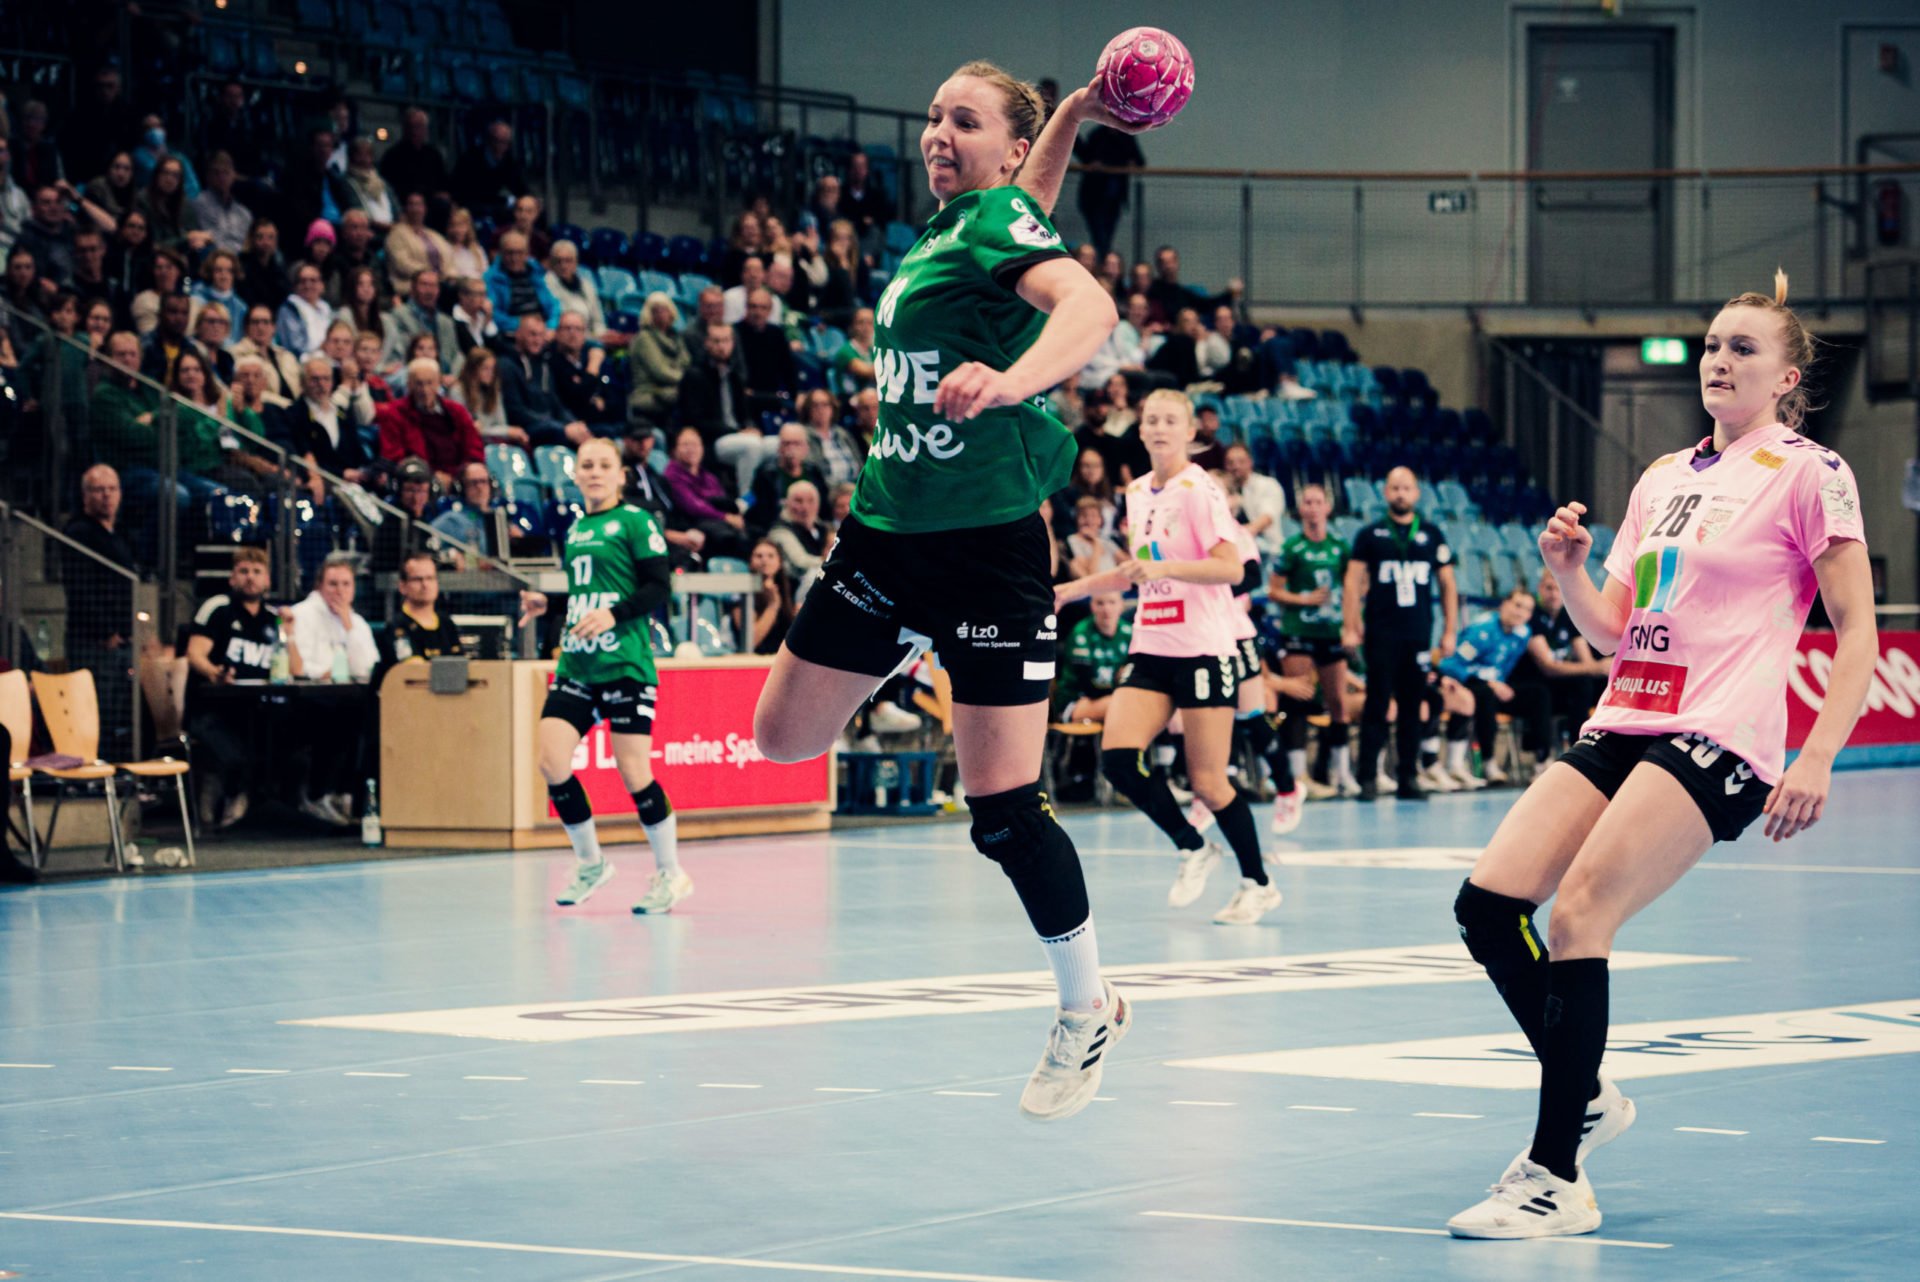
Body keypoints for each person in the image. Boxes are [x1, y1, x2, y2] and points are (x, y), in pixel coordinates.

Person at [752, 61, 1160, 1121]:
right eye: (933, 115)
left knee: (1003, 813)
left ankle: (1086, 1007)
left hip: (986, 551)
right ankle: (910, 639)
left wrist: (1011, 381)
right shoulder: (964, 225)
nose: (937, 132)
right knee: (781, 738)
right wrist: (1075, 112)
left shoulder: (990, 228)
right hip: (885, 538)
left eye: (963, 121)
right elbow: (1027, 205)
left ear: (1005, 148)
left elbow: (1087, 303)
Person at [1445, 273, 1878, 1240]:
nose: (1718, 360)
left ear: (1788, 378)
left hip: (1719, 734)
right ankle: (1587, 1094)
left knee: (1581, 912)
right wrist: (1567, 571)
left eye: (1743, 348)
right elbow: (1612, 630)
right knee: (1487, 907)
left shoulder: (1810, 473)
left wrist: (1817, 757)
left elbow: (1856, 629)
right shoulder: (1664, 477)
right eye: (1712, 345)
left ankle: (1555, 1177)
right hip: (1628, 715)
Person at [1056, 389, 1278, 927]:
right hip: (1152, 645)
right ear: (1140, 429)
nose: (1159, 428)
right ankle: (1192, 845)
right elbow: (1138, 569)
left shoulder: (1200, 490)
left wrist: (1166, 570)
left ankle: (1258, 883)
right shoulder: (1135, 492)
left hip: (1203, 649)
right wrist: (1068, 591)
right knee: (1118, 760)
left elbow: (1230, 569)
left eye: (1170, 420)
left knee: (1209, 782)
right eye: (1151, 419)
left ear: (1188, 432)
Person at [517, 438, 687, 913]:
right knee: (551, 761)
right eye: (586, 465)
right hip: (577, 664)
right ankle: (591, 864)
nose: (594, 472)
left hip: (625, 664)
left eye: (603, 465)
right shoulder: (576, 529)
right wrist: (550, 604)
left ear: (620, 475)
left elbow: (658, 586)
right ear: (575, 475)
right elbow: (586, 595)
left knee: (634, 771)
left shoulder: (636, 521)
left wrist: (614, 615)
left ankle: (670, 873)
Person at [1343, 466, 1458, 801]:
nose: (1400, 494)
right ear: (1385, 492)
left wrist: (1449, 630)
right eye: (1395, 487)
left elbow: (1447, 584)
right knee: (1377, 704)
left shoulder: (1432, 534)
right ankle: (1367, 777)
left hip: (1418, 633)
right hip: (1381, 633)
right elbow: (1352, 581)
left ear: (1417, 493)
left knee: (1412, 706)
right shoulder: (1370, 534)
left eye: (1406, 488)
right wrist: (1350, 624)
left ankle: (1408, 777)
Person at [186, 547, 298, 829]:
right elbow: (195, 654)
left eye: (257, 572)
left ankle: (259, 804)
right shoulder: (218, 608)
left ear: (268, 580)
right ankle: (220, 790)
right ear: (232, 578)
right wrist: (215, 673)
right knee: (235, 754)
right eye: (244, 571)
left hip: (257, 709)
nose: (250, 577)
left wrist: (289, 634)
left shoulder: (272, 617)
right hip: (212, 708)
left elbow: (295, 670)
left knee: (290, 738)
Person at [1268, 482, 1359, 796]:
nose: (1313, 508)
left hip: (1331, 631)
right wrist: (1304, 600)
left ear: (1327, 508)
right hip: (1299, 630)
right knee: (1299, 696)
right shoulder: (1292, 547)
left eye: (1318, 502)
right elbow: (1274, 591)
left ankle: (1341, 774)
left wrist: (1351, 624)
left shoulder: (1340, 547)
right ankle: (1298, 776)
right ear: (1301, 509)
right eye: (1307, 502)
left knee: (1338, 702)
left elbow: (1354, 586)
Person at [288, 552, 379, 825]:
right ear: (319, 586)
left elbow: (368, 669)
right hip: (306, 699)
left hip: (348, 699)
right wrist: (324, 672)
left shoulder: (357, 622)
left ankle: (346, 794)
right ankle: (319, 794)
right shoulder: (301, 614)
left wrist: (348, 626)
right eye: (333, 584)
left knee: (366, 716)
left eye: (346, 584)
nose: (339, 591)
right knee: (339, 717)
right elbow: (299, 668)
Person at [61, 464, 138, 752]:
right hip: (92, 641)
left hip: (121, 639)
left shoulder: (120, 534)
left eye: (112, 489)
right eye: (99, 490)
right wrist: (106, 632)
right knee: (96, 714)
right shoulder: (78, 533)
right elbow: (79, 589)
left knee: (118, 714)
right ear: (85, 495)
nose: (106, 495)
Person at [1505, 571, 1611, 780]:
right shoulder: (1532, 616)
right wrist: (1597, 667)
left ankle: (1591, 750)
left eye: (1558, 589)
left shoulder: (1567, 614)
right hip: (1529, 682)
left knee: (1593, 685)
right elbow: (1548, 666)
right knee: (1544, 693)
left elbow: (1586, 661)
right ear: (1539, 589)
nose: (1554, 594)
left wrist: (1602, 668)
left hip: (1558, 685)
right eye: (1549, 588)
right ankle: (1545, 760)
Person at [1433, 586, 1536, 790]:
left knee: (1538, 694)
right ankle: (1489, 762)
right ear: (1504, 605)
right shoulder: (1481, 631)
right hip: (1466, 683)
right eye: (1517, 605)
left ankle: (1541, 761)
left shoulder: (1523, 634)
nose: (1520, 613)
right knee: (1485, 694)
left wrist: (1500, 684)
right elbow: (1451, 665)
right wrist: (1489, 682)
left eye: (1526, 609)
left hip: (1497, 685)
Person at [377, 357, 484, 487]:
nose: (425, 390)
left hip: (459, 479)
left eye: (430, 383)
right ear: (409, 384)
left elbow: (474, 449)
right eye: (419, 383)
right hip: (417, 480)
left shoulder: (457, 411)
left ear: (439, 383)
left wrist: (460, 475)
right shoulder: (395, 412)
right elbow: (394, 457)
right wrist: (431, 476)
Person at [499, 313, 589, 447]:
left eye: (541, 335)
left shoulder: (544, 365)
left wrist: (574, 423)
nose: (537, 340)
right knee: (563, 434)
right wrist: (562, 428)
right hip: (524, 430)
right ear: (518, 334)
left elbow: (556, 404)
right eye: (532, 335)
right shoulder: (507, 365)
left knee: (588, 433)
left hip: (550, 426)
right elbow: (515, 411)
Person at [376, 551, 465, 681]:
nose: (425, 585)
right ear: (402, 586)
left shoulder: (447, 623)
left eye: (430, 578)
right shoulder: (397, 627)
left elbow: (462, 668)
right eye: (417, 579)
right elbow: (415, 674)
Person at [1054, 589, 1130, 726]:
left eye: (1112, 602)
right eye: (1100, 603)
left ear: (1121, 605)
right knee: (1123, 706)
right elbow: (1089, 684)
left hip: (1115, 696)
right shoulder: (1081, 633)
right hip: (1076, 700)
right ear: (1092, 606)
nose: (1106, 609)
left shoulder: (1129, 632)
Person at [1072, 125, 1143, 260]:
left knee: (1107, 234)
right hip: (1094, 194)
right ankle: (1102, 261)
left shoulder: (1126, 136)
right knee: (1099, 234)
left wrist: (1129, 163)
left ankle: (1103, 261)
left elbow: (1139, 160)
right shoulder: (1098, 135)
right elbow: (1087, 157)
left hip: (1114, 195)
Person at [747, 423, 828, 536]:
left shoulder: (814, 472)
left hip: (813, 529)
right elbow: (762, 514)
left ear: (806, 448)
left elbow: (824, 509)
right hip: (779, 529)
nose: (791, 449)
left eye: (797, 444)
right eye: (786, 444)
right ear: (779, 448)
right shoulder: (766, 474)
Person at [383, 267, 459, 378]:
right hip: (410, 375)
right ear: (412, 289)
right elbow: (397, 354)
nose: (429, 291)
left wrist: (454, 376)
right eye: (424, 285)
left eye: (433, 286)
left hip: (444, 378)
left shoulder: (446, 322)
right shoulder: (398, 316)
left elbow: (456, 356)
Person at [626, 292, 688, 427]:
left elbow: (686, 362)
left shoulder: (676, 336)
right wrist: (686, 380)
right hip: (651, 391)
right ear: (648, 314)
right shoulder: (644, 338)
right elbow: (660, 371)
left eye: (664, 309)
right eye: (656, 311)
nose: (661, 314)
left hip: (675, 387)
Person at [484, 230, 558, 336]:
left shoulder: (535, 272)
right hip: (513, 333)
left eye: (519, 253)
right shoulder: (491, 278)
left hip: (542, 330)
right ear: (500, 253)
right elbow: (493, 313)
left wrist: (551, 326)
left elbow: (553, 305)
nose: (514, 258)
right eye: (509, 253)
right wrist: (523, 324)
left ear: (527, 253)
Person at [450, 121, 528, 221]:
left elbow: (519, 186)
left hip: (495, 203)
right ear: (488, 140)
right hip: (472, 203)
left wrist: (528, 199)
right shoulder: (470, 159)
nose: (501, 146)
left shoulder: (508, 161)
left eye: (506, 142)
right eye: (497, 141)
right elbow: (460, 191)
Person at [1222, 443, 1285, 557]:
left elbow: (1266, 519)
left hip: (1267, 550)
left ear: (1250, 462)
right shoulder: (1222, 490)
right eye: (1230, 463)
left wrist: (1238, 536)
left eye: (1241, 461)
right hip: (1236, 551)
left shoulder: (1268, 484)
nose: (1236, 466)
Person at [232, 304, 304, 400]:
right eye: (255, 322)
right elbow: (252, 392)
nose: (260, 327)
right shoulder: (236, 354)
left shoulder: (287, 356)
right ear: (246, 327)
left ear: (274, 327)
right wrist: (287, 405)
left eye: (266, 322)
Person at [192, 152, 253, 254]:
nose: (222, 177)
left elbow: (248, 244)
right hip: (214, 258)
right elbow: (209, 241)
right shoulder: (200, 203)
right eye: (216, 173)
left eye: (226, 172)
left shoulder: (244, 213)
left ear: (234, 175)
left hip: (241, 259)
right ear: (208, 176)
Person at [744, 538, 797, 654]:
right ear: (750, 563)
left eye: (771, 556)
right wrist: (772, 605)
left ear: (780, 563)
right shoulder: (744, 596)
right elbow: (751, 641)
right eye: (759, 556)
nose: (764, 560)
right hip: (755, 658)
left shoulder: (789, 590)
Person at [276, 261, 334, 356]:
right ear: (296, 286)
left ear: (322, 285)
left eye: (313, 280)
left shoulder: (325, 308)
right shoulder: (289, 309)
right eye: (303, 281)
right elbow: (294, 348)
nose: (308, 285)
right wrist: (321, 349)